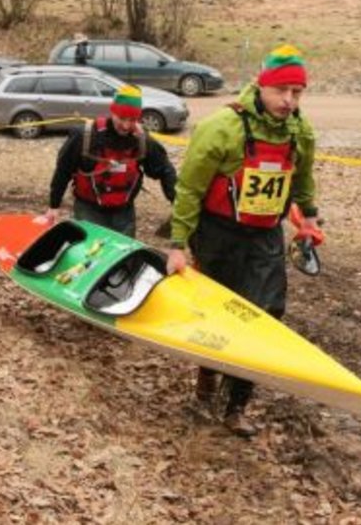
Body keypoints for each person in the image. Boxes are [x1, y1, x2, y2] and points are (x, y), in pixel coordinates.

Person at [165, 45, 320, 437]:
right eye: (281, 91)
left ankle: (236, 407)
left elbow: (302, 180)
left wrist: (309, 218)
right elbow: (189, 190)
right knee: (216, 314)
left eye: (297, 93)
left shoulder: (300, 131)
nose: (289, 101)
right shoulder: (221, 127)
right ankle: (204, 389)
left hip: (265, 235)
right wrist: (178, 244)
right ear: (261, 86)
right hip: (218, 234)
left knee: (266, 315)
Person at [45, 84, 176, 237]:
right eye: (122, 118)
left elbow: (165, 170)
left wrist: (177, 202)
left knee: (123, 257)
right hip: (88, 210)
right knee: (91, 256)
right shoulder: (85, 136)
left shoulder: (142, 140)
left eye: (132, 119)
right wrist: (54, 205)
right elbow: (63, 170)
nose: (126, 125)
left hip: (124, 212)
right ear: (112, 112)